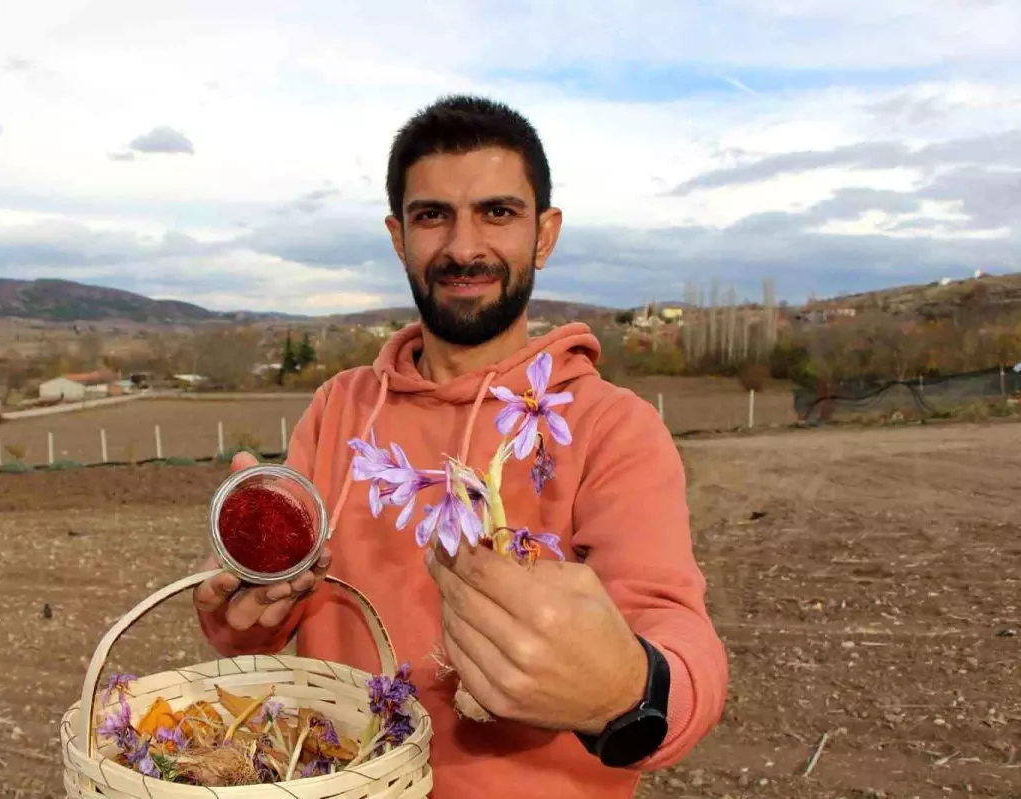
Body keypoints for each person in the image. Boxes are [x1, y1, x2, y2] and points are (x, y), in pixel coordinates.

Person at [193, 94, 728, 797]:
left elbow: (677, 635)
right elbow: (269, 618)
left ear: (544, 235)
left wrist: (632, 691)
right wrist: (241, 608)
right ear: (398, 237)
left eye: (497, 212)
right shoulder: (338, 409)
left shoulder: (611, 426)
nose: (464, 248)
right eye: (432, 215)